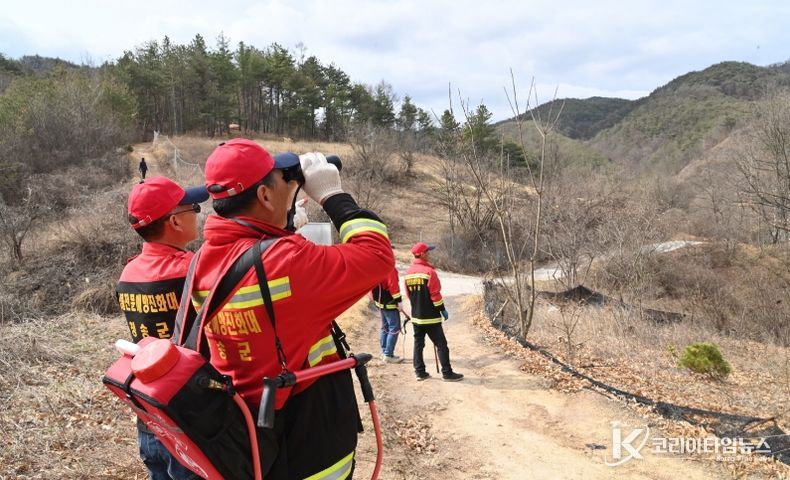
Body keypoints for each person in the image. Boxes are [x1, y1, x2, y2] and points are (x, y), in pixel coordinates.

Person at [188, 138, 393, 479]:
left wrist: (282, 227)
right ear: (265, 196)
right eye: (284, 179)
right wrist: (332, 195)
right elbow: (377, 255)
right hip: (307, 435)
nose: (291, 184)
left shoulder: (203, 260)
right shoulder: (286, 261)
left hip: (248, 428)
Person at [116, 176, 209, 480]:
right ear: (175, 222)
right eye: (193, 208)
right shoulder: (191, 269)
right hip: (191, 422)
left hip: (150, 414)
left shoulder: (128, 272)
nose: (199, 213)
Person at [404, 242, 464, 382]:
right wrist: (442, 310)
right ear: (423, 254)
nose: (429, 254)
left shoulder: (408, 274)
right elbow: (435, 295)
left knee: (418, 344)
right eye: (428, 251)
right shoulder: (430, 272)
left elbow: (408, 295)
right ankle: (447, 373)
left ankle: (420, 372)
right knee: (441, 344)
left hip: (417, 317)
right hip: (431, 317)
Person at [371, 259, 406, 363]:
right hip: (389, 302)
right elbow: (393, 286)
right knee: (394, 328)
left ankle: (384, 352)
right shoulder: (390, 268)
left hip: (380, 302)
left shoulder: (376, 267)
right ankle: (388, 354)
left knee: (385, 327)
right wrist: (399, 301)